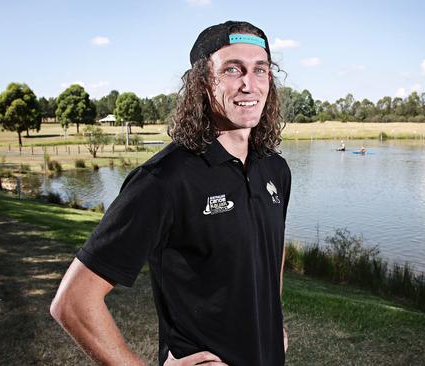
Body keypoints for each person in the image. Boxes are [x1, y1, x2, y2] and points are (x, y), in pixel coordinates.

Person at [50, 20, 291, 366]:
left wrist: (273, 323)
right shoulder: (164, 180)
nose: (248, 84)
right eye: (232, 70)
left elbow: (272, 253)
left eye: (260, 70)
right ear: (204, 83)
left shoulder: (276, 170)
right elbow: (74, 301)